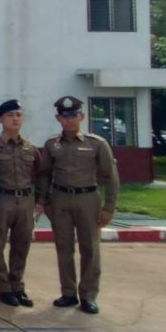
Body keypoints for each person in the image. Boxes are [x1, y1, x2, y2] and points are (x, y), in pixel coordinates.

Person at [38, 95, 119, 314]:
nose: (69, 120)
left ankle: (88, 296)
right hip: (60, 199)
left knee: (90, 248)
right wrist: (44, 201)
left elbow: (111, 177)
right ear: (58, 119)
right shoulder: (52, 144)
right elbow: (44, 174)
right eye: (65, 116)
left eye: (73, 115)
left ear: (82, 116)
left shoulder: (97, 143)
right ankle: (68, 293)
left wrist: (109, 207)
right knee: (63, 247)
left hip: (88, 198)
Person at [0, 99, 42, 307]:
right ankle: (3, 288)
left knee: (22, 244)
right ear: (0, 119)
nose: (15, 119)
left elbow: (40, 175)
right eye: (10, 115)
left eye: (18, 115)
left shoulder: (30, 148)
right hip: (2, 199)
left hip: (25, 201)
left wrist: (40, 201)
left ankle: (17, 285)